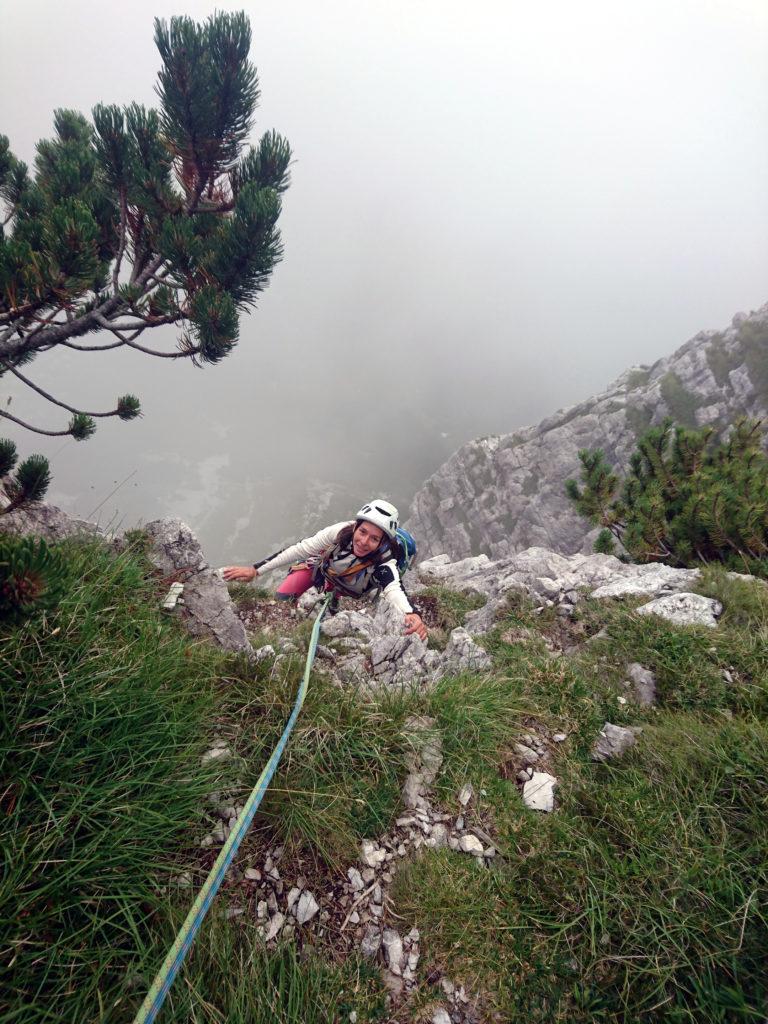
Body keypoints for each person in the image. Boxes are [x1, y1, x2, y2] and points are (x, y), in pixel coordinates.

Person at [222, 499, 428, 641]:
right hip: (324, 572)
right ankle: (291, 618)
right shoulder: (340, 532)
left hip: (352, 589)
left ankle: (334, 600)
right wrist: (255, 570)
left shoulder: (385, 561)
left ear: (382, 542)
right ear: (355, 526)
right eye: (363, 531)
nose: (364, 541)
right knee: (281, 599)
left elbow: (393, 588)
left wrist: (412, 614)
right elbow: (301, 549)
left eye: (374, 538)